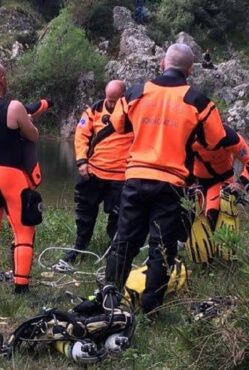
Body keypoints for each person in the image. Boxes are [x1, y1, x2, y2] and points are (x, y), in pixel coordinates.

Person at [104, 43, 226, 314]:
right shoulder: (199, 101)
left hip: (136, 176)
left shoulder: (136, 92)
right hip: (171, 182)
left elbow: (116, 125)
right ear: (190, 70)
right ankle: (151, 308)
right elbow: (215, 141)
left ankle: (108, 300)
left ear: (162, 63)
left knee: (124, 240)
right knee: (162, 247)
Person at [59, 80, 133, 265]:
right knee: (85, 212)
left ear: (123, 97)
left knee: (118, 216)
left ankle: (113, 251)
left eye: (115, 100)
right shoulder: (94, 110)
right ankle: (80, 246)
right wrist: (82, 161)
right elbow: (81, 135)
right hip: (93, 171)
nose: (111, 103)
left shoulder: (133, 113)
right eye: (109, 99)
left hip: (121, 175)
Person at [0, 63, 39, 293]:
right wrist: (30, 121)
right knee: (24, 230)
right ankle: (21, 286)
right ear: (3, 78)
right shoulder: (13, 107)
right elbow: (32, 136)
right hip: (10, 175)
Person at [192, 125, 249, 230]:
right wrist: (187, 182)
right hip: (196, 181)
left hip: (221, 180)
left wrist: (240, 183)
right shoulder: (188, 135)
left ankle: (216, 242)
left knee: (211, 216)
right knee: (188, 216)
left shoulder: (230, 137)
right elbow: (179, 161)